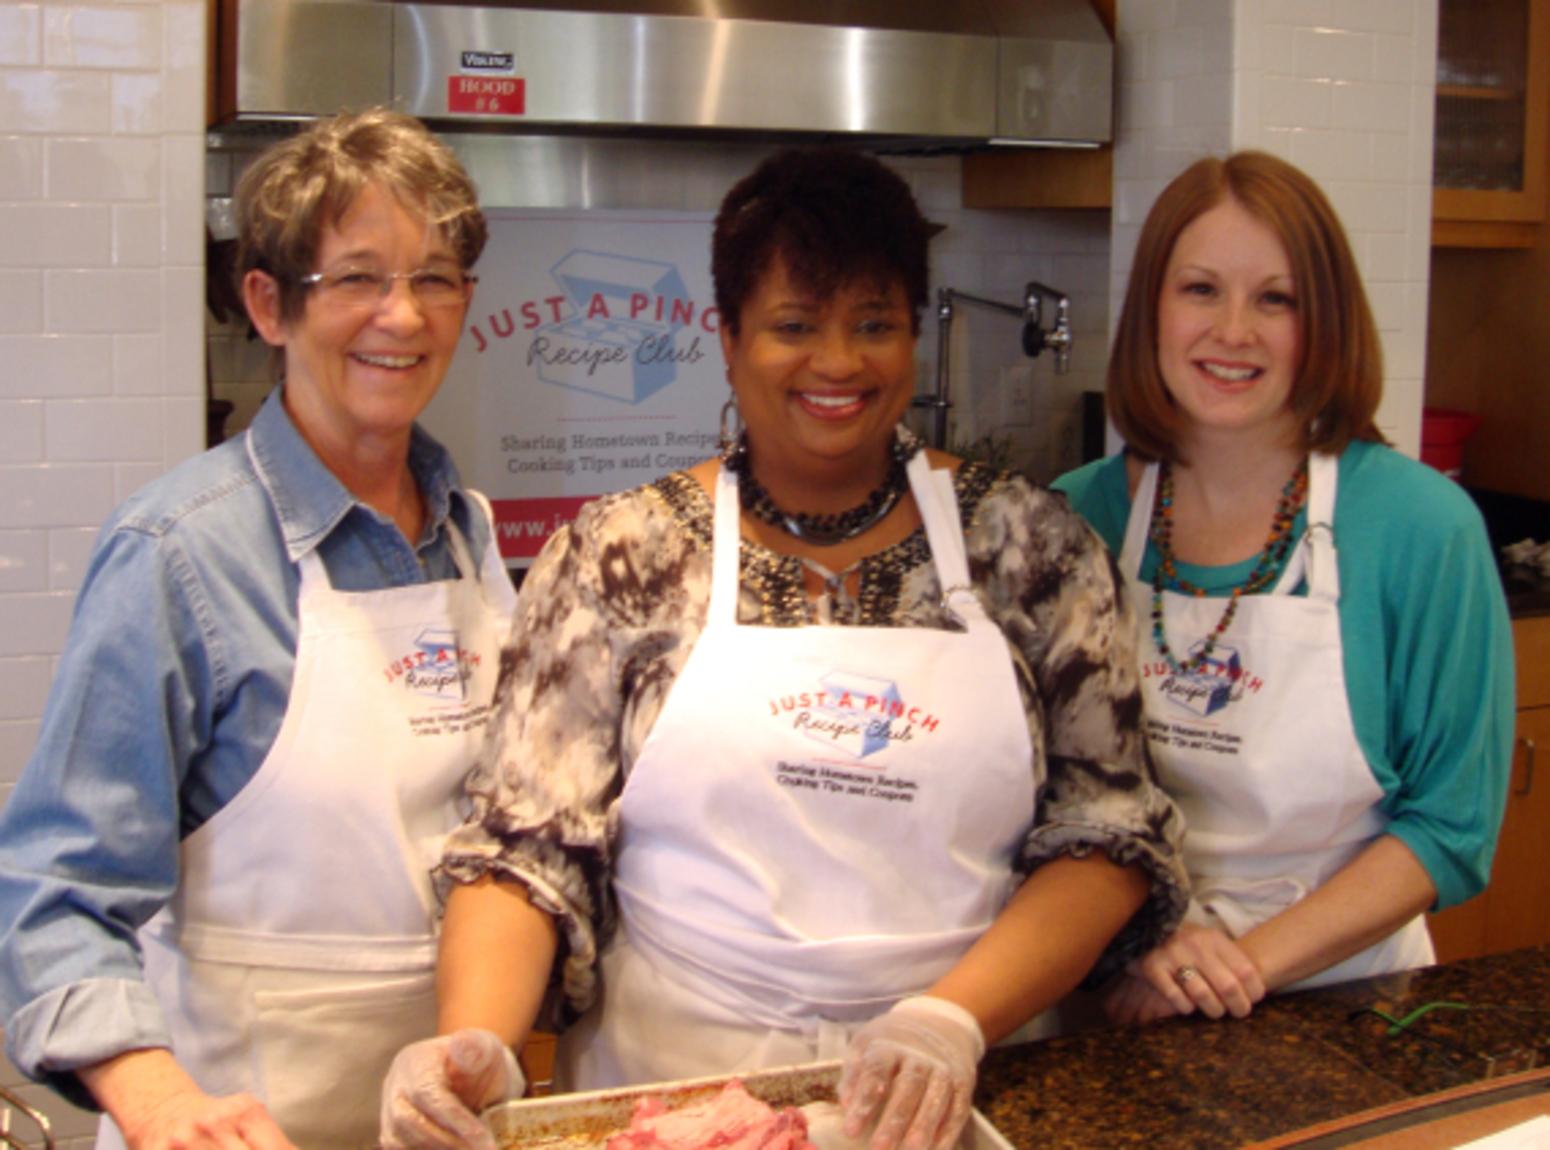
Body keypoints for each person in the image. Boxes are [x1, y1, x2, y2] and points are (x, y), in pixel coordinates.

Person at [378, 147, 1189, 1150]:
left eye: (874, 324)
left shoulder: (1031, 550)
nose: (838, 362)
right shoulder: (621, 554)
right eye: (794, 325)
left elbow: (1105, 832)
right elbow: (527, 845)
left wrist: (946, 1019)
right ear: (726, 338)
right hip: (673, 1097)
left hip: (963, 1088)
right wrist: (477, 1044)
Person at [0, 108, 515, 1149]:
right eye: (358, 277)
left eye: (434, 277)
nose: (402, 317)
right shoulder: (178, 553)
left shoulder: (468, 531)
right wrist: (161, 1105)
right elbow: (52, 901)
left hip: (444, 1121)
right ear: (269, 305)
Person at [1052, 151, 1514, 1026]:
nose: (1234, 330)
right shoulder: (1076, 519)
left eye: (1278, 299)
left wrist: (1228, 972)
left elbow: (1451, 828)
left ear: (1326, 323)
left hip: (1349, 1002)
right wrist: (1147, 944)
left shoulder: (1421, 528)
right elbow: (1035, 795)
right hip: (1115, 993)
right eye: (1199, 290)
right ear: (1151, 306)